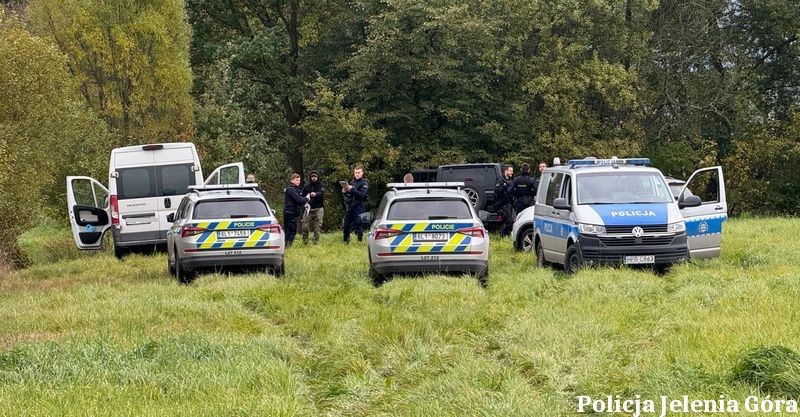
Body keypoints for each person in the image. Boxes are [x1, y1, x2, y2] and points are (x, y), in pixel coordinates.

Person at [342, 165, 369, 243]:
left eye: (358, 172)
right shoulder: (352, 182)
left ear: (362, 173)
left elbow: (362, 195)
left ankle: (359, 240)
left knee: (358, 223)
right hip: (350, 205)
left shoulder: (364, 183)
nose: (357, 174)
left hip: (359, 206)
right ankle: (345, 241)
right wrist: (345, 191)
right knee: (346, 223)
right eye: (355, 172)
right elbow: (350, 195)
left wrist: (352, 189)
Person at [283, 173, 309, 246]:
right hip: (290, 212)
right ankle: (288, 245)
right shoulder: (291, 189)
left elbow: (299, 201)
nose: (298, 182)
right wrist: (307, 198)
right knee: (291, 230)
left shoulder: (295, 189)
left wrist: (304, 204)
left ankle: (287, 244)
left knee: (290, 229)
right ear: (292, 180)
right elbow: (299, 200)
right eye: (297, 180)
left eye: (299, 180)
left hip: (293, 212)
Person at [302, 171, 325, 245]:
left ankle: (315, 243)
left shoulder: (321, 185)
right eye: (312, 176)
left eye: (315, 176)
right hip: (308, 209)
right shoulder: (306, 186)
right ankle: (305, 242)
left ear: (317, 177)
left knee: (317, 227)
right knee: (305, 226)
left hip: (318, 209)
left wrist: (315, 194)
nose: (314, 178)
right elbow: (303, 197)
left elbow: (321, 193)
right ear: (310, 177)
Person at [495, 165, 514, 237]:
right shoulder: (500, 180)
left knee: (507, 220)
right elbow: (497, 190)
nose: (512, 172)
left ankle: (505, 235)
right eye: (511, 171)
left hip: (509, 202)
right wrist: (505, 186)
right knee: (509, 220)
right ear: (506, 171)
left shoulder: (510, 179)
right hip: (502, 203)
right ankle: (502, 235)